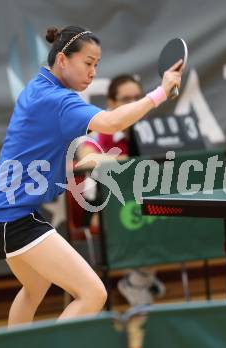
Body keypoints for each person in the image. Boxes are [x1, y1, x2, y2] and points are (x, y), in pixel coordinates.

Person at [0, 25, 182, 327]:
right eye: (87, 63)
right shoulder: (58, 101)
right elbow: (112, 122)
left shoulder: (39, 87)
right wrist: (161, 92)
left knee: (35, 288)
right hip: (13, 217)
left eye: (96, 65)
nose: (92, 72)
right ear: (62, 59)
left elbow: (65, 145)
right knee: (92, 293)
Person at [77, 74, 166, 307]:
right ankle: (139, 280)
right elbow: (86, 158)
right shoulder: (101, 134)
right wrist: (127, 162)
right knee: (149, 218)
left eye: (138, 97)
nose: (134, 103)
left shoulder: (153, 133)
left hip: (142, 204)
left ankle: (140, 277)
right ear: (111, 104)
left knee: (168, 215)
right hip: (103, 209)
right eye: (126, 99)